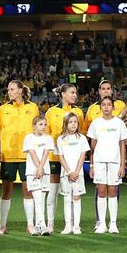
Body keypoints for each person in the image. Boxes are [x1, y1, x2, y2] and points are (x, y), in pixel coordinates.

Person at [0, 79, 40, 234]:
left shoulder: (32, 107)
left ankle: (30, 225)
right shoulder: (3, 109)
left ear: (21, 90)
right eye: (8, 89)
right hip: (7, 155)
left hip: (27, 155)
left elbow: (37, 130)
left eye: (12, 89)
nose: (9, 92)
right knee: (6, 191)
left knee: (28, 190)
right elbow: (0, 129)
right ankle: (2, 226)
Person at [87, 96, 127, 234]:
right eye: (103, 105)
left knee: (113, 191)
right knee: (101, 191)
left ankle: (113, 223)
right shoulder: (95, 123)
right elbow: (92, 147)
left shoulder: (119, 123)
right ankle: (102, 224)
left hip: (115, 162)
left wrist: (122, 165)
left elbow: (122, 145)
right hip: (99, 162)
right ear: (100, 107)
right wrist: (92, 165)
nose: (106, 107)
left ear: (113, 107)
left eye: (108, 105)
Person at [46, 84, 82, 233]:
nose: (75, 95)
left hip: (72, 161)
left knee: (73, 194)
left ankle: (73, 224)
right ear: (63, 94)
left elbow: (82, 134)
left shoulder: (78, 112)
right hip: (55, 157)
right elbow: (47, 135)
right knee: (53, 192)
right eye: (72, 92)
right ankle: (50, 223)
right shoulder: (51, 112)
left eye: (75, 92)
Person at [57, 113, 89, 235]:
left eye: (75, 122)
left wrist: (76, 171)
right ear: (66, 124)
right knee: (67, 198)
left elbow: (82, 156)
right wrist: (70, 171)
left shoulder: (81, 138)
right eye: (70, 122)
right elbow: (61, 157)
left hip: (78, 174)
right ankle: (67, 226)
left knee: (76, 198)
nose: (73, 124)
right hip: (66, 173)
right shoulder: (61, 139)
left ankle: (76, 226)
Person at [23, 117, 55, 235]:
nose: (43, 127)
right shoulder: (28, 138)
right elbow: (32, 153)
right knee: (37, 197)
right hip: (33, 171)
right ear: (34, 126)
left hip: (44, 171)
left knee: (41, 199)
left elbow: (46, 153)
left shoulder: (49, 138)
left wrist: (41, 168)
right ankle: (43, 225)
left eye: (45, 124)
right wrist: (38, 168)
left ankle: (37, 227)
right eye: (40, 124)